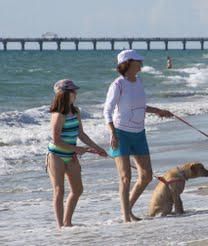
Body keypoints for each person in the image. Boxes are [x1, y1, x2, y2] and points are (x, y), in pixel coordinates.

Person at [103, 50, 174, 222]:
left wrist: (157, 111)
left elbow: (140, 106)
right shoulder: (118, 84)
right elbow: (107, 110)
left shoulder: (139, 81)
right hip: (121, 133)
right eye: (138, 61)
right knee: (126, 177)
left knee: (146, 175)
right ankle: (127, 218)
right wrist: (112, 132)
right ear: (127, 63)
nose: (141, 64)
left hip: (139, 133)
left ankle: (127, 208)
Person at [47, 79, 107, 229]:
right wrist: (78, 150)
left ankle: (67, 222)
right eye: (73, 91)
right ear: (65, 94)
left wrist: (98, 148)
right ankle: (60, 227)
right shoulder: (58, 114)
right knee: (59, 191)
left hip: (71, 155)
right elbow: (56, 140)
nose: (76, 93)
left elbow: (81, 134)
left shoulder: (75, 111)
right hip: (56, 155)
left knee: (78, 190)